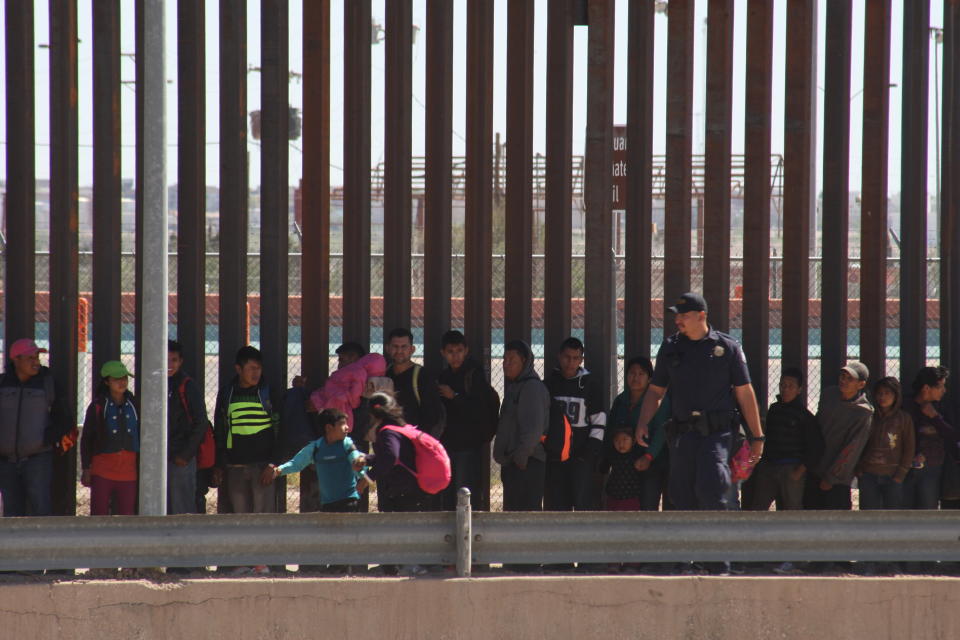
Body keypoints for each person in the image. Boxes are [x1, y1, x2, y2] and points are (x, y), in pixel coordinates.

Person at [634, 293, 764, 511]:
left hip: (717, 433)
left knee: (712, 483)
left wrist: (757, 436)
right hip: (683, 434)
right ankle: (689, 542)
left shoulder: (727, 348)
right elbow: (655, 391)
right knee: (681, 494)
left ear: (701, 316)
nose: (678, 320)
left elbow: (745, 393)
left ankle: (715, 541)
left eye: (684, 315)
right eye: (676, 316)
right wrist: (642, 422)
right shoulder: (670, 348)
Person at [0, 338, 73, 517]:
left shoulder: (49, 384)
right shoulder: (2, 384)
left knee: (41, 506)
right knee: (11, 510)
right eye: (30, 358)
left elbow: (64, 418)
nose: (36, 362)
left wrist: (47, 439)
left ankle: (43, 544)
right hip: (6, 461)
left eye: (37, 357)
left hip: (38, 459)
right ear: (16, 360)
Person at [212, 346, 283, 518]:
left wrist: (273, 464)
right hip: (235, 466)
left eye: (258, 368)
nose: (256, 373)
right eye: (251, 368)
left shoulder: (268, 392)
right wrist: (220, 463)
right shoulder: (227, 393)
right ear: (238, 369)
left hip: (262, 468)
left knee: (264, 519)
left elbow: (281, 429)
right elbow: (221, 428)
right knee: (238, 518)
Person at [363, 392, 427, 576]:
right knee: (406, 526)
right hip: (409, 486)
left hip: (399, 488)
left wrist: (368, 478)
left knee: (398, 526)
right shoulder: (400, 427)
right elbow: (391, 456)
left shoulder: (387, 430)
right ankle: (400, 565)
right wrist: (368, 459)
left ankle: (405, 566)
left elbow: (391, 457)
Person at [437, 330, 498, 511]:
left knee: (465, 492)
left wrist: (453, 396)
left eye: (459, 351)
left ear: (466, 351)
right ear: (443, 353)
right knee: (447, 494)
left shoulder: (474, 375)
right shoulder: (444, 376)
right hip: (449, 444)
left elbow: (477, 409)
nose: (455, 356)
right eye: (451, 352)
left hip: (468, 446)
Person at [544, 337, 607, 511]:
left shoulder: (591, 386)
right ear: (559, 356)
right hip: (556, 459)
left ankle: (583, 538)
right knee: (557, 506)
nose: (570, 362)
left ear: (581, 360)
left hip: (582, 458)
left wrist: (589, 454)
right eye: (567, 357)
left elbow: (599, 422)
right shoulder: (549, 384)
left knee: (583, 505)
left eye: (575, 358)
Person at [263, 409, 369, 513]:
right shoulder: (316, 447)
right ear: (328, 428)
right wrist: (278, 470)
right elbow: (296, 463)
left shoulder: (347, 445)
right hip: (327, 504)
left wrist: (361, 469)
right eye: (342, 424)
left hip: (349, 502)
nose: (347, 428)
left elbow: (357, 461)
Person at [748, 367, 821, 511]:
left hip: (791, 469)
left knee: (792, 509)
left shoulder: (804, 416)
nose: (785, 389)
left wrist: (799, 471)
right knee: (758, 508)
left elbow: (816, 447)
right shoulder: (774, 410)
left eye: (790, 386)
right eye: (782, 385)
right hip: (769, 467)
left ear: (799, 389)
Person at [804, 361, 874, 510]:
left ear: (861, 385)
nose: (844, 381)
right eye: (843, 376)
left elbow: (852, 449)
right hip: (814, 469)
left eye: (850, 379)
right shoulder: (828, 395)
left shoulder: (863, 412)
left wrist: (831, 477)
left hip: (836, 481)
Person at [606, 356, 671, 511]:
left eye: (641, 374)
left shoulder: (658, 401)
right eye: (632, 373)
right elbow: (611, 430)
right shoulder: (620, 401)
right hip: (627, 466)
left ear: (649, 378)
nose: (636, 377)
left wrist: (649, 456)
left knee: (648, 505)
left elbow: (662, 431)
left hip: (655, 460)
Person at [492, 340, 550, 512]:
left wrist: (520, 459)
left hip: (527, 465)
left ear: (524, 362)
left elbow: (533, 430)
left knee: (524, 518)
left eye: (512, 360)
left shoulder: (531, 388)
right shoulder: (516, 386)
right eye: (504, 359)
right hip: (516, 463)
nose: (506, 365)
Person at [80, 361, 139, 516]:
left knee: (127, 513)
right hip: (102, 469)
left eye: (124, 378)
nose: (122, 382)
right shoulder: (98, 406)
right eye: (116, 379)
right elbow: (86, 438)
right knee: (99, 513)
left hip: (129, 469)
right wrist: (86, 467)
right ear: (106, 382)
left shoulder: (135, 404)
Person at [856, 376, 914, 510]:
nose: (882, 397)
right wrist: (860, 470)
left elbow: (909, 448)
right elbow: (859, 443)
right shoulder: (869, 416)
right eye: (880, 393)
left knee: (892, 517)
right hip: (868, 474)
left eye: (887, 393)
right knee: (869, 517)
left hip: (892, 475)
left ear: (896, 396)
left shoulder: (904, 419)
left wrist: (900, 474)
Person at [166, 340, 209, 515]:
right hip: (156, 459)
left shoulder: (187, 386)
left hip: (180, 459)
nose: (169, 365)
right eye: (166, 359)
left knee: (182, 507)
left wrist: (185, 454)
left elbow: (201, 422)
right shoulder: (152, 382)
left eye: (174, 360)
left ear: (181, 361)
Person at [903, 366, 954, 509]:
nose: (944, 390)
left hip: (932, 468)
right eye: (941, 386)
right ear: (926, 388)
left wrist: (935, 418)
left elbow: (952, 435)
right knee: (904, 511)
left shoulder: (942, 406)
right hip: (905, 468)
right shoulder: (905, 406)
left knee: (928, 509)